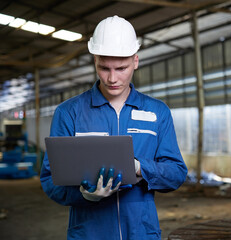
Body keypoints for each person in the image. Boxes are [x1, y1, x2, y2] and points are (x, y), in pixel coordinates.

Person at [40, 15, 188, 240]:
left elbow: (176, 173)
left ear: (135, 61)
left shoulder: (157, 112)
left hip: (141, 232)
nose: (112, 78)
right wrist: (86, 195)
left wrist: (139, 167)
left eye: (121, 68)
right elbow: (50, 179)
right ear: (95, 61)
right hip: (89, 232)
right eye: (104, 68)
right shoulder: (69, 112)